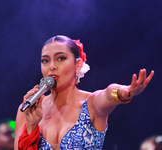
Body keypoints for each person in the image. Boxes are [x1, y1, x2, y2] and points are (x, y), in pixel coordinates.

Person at [14, 35, 154, 150]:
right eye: (45, 61)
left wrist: (125, 92)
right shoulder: (28, 109)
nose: (52, 66)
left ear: (78, 65)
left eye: (61, 58)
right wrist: (32, 125)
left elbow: (107, 94)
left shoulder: (91, 104)